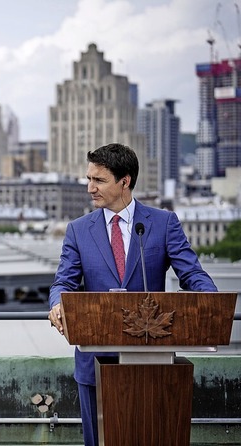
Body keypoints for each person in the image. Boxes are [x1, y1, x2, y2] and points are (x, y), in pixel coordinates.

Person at [48, 143, 217, 446]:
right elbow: (64, 282)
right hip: (94, 362)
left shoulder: (164, 224)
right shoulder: (77, 230)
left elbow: (192, 275)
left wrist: (211, 303)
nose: (90, 188)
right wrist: (58, 304)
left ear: (124, 181)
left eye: (99, 180)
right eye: (89, 179)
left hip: (152, 364)